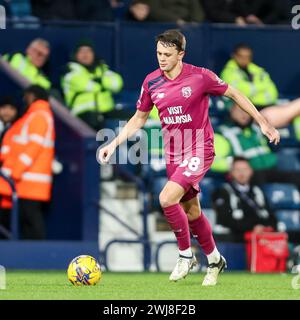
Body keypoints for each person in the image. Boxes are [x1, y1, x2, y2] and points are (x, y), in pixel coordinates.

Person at [98, 29, 280, 286]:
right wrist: (113, 144)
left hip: (199, 149)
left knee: (165, 198)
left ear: (181, 54)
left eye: (167, 54)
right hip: (174, 153)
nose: (161, 59)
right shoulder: (151, 82)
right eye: (159, 53)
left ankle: (185, 255)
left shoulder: (200, 76)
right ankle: (215, 259)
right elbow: (139, 119)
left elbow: (234, 93)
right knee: (192, 211)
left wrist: (262, 122)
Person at [0, 85, 55, 240]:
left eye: (26, 96)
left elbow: (33, 147)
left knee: (31, 221)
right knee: (25, 221)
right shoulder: (33, 115)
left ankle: (38, 258)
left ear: (32, 96)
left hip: (29, 179)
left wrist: (14, 172)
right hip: (23, 180)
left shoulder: (39, 115)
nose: (25, 99)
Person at [212, 103, 300, 188]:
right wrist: (235, 165)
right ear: (231, 110)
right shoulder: (223, 132)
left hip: (271, 167)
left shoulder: (258, 128)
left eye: (246, 111)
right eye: (240, 111)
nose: (244, 114)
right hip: (251, 173)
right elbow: (215, 162)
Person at [212, 156, 277, 242]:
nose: (242, 173)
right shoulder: (224, 191)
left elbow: (271, 216)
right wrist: (252, 228)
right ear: (231, 173)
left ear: (251, 171)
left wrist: (264, 227)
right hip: (236, 239)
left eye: (245, 169)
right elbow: (225, 219)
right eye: (237, 170)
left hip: (259, 238)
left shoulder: (257, 191)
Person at [61, 40, 123, 130]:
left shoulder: (102, 68)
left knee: (133, 119)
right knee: (95, 121)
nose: (85, 54)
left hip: (107, 111)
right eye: (81, 51)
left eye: (88, 51)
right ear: (76, 55)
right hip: (82, 115)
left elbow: (117, 84)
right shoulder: (70, 71)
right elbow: (89, 85)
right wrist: (103, 83)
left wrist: (100, 81)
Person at [220, 43, 278, 109]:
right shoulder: (228, 73)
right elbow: (237, 94)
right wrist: (261, 88)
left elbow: (273, 91)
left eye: (248, 56)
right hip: (240, 109)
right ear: (233, 55)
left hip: (264, 108)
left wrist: (250, 91)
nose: (244, 59)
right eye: (241, 56)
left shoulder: (258, 70)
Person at [128, 0, 204, 24]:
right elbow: (153, 9)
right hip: (163, 26)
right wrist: (176, 21)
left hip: (188, 27)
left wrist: (195, 23)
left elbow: (197, 10)